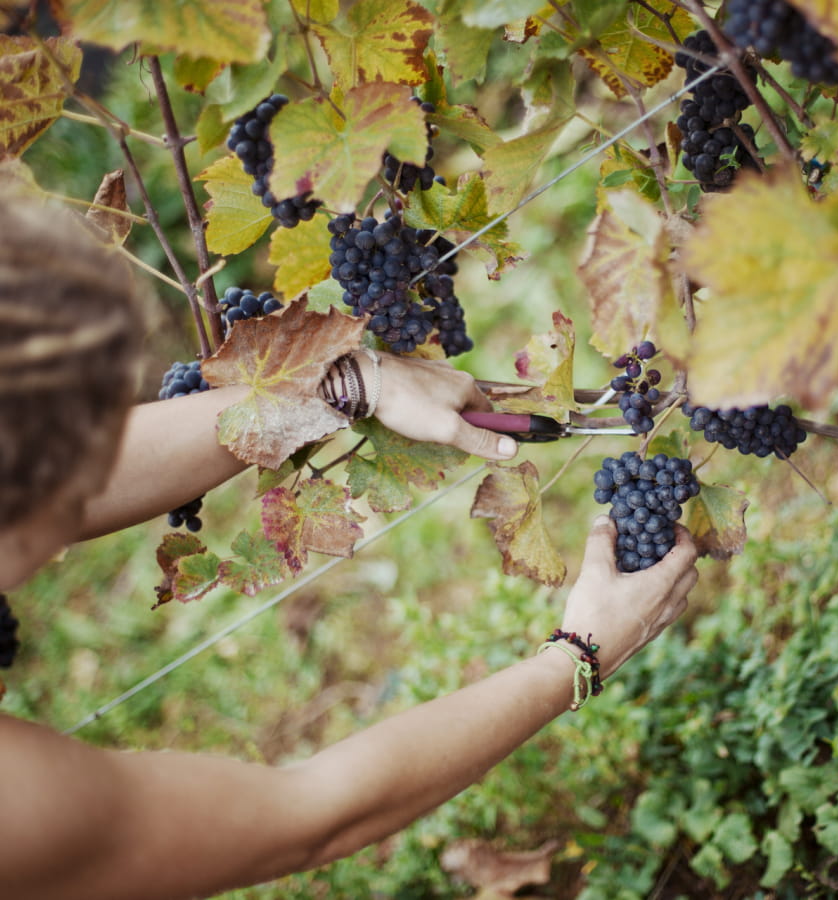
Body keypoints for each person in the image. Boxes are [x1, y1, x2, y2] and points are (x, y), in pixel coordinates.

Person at [0, 194, 699, 899]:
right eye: (87, 446)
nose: (103, 459)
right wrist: (576, 657)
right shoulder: (25, 810)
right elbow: (308, 817)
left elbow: (102, 469)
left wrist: (354, 383)